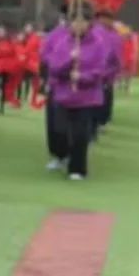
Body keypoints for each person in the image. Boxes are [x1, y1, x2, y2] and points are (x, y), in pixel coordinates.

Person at [42, 15, 110, 180]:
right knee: (60, 130)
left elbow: (100, 70)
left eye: (82, 22)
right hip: (64, 95)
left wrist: (82, 77)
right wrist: (69, 60)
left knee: (80, 134)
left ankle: (77, 169)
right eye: (75, 21)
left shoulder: (98, 44)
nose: (78, 25)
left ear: (88, 24)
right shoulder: (63, 42)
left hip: (86, 97)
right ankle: (62, 156)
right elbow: (54, 67)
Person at [94, 10, 123, 133]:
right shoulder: (93, 32)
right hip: (95, 72)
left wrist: (115, 71)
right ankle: (96, 123)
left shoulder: (114, 35)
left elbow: (117, 56)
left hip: (107, 73)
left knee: (105, 99)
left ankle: (101, 121)